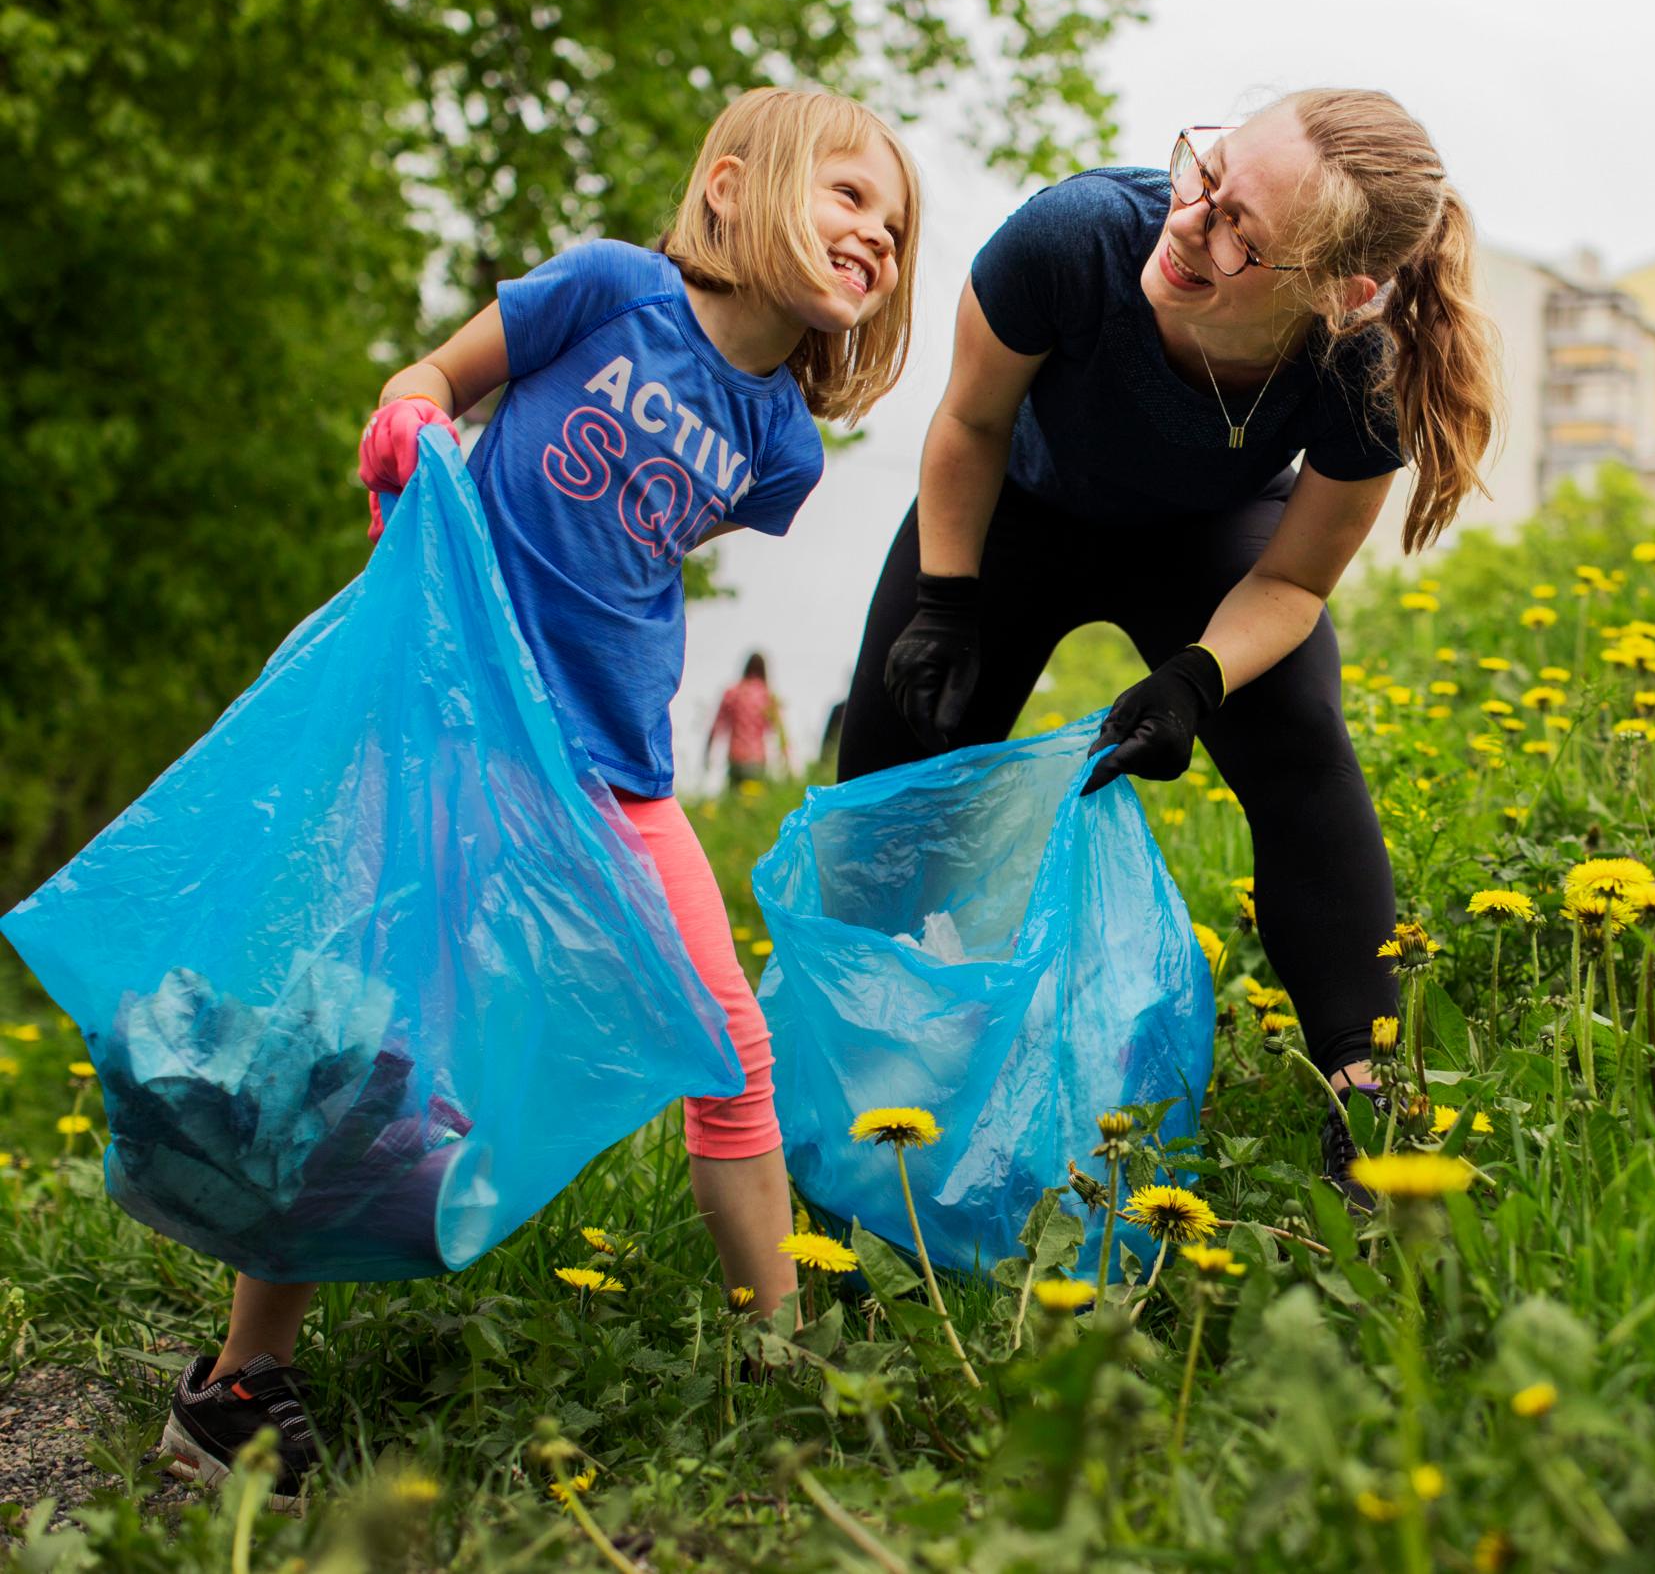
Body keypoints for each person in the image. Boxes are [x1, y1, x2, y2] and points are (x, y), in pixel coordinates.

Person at [158, 85, 920, 1510]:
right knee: (365, 1048)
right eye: (845, 193)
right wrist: (405, 431)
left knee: (728, 1041)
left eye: (891, 220)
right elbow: (424, 387)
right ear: (737, 185)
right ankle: (236, 1384)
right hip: (457, 726)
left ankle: (780, 1367)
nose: (872, 230)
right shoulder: (606, 289)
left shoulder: (783, 450)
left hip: (616, 769)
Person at [839, 89, 1498, 1206]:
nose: (1191, 223)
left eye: (1246, 233)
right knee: (897, 768)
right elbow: (969, 423)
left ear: (1339, 294)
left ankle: (1365, 1090)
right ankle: (869, 1071)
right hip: (1016, 508)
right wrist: (946, 599)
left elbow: (1288, 580)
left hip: (1202, 539)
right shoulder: (1072, 240)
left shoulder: (1360, 371)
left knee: (1296, 737)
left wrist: (1199, 676)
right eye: (1207, 175)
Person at [709, 652, 793, 785]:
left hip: (735, 757)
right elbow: (780, 731)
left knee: (735, 800)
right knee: (755, 799)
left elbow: (716, 726)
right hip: (756, 758)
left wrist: (707, 753)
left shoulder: (733, 693)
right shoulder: (767, 695)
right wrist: (788, 763)